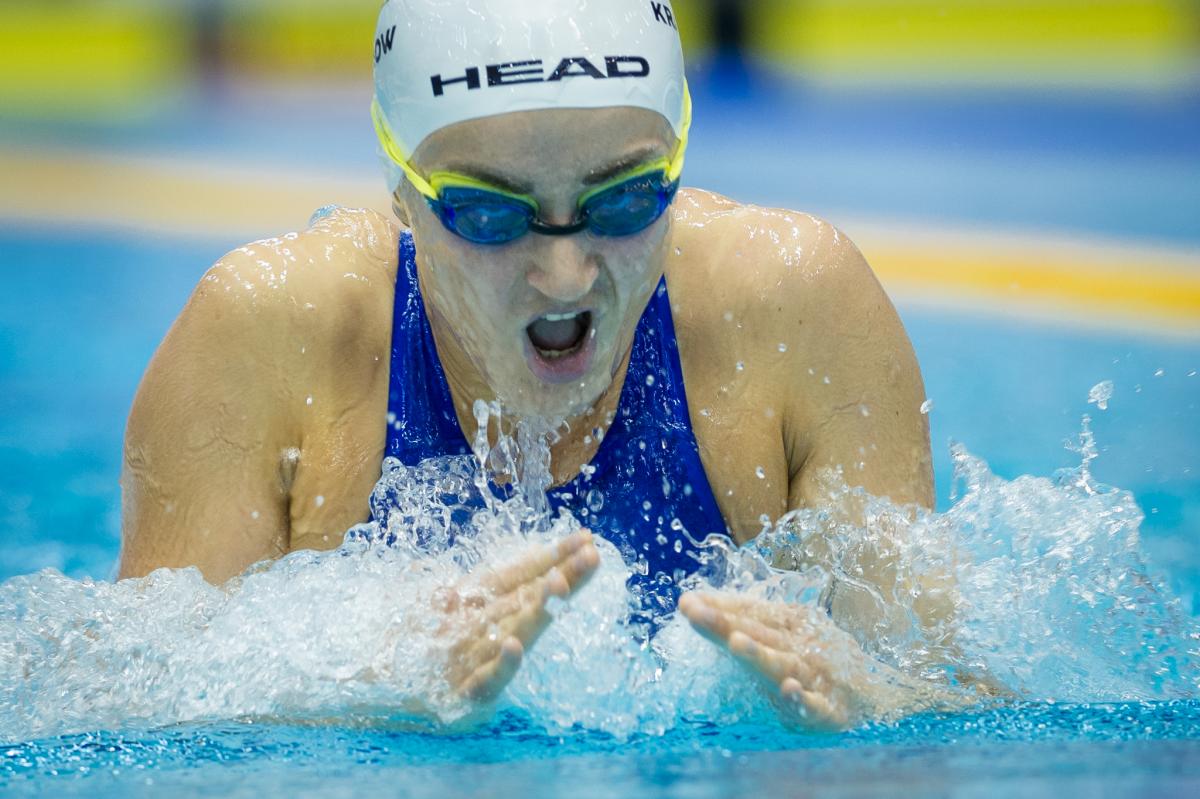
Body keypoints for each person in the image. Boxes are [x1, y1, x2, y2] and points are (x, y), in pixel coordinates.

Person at [119, 0, 942, 729]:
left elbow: (954, 685)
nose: (565, 274)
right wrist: (360, 678)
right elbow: (127, 707)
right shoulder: (272, 335)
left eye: (623, 198)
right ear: (401, 191)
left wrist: (870, 703)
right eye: (487, 212)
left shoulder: (796, 310)